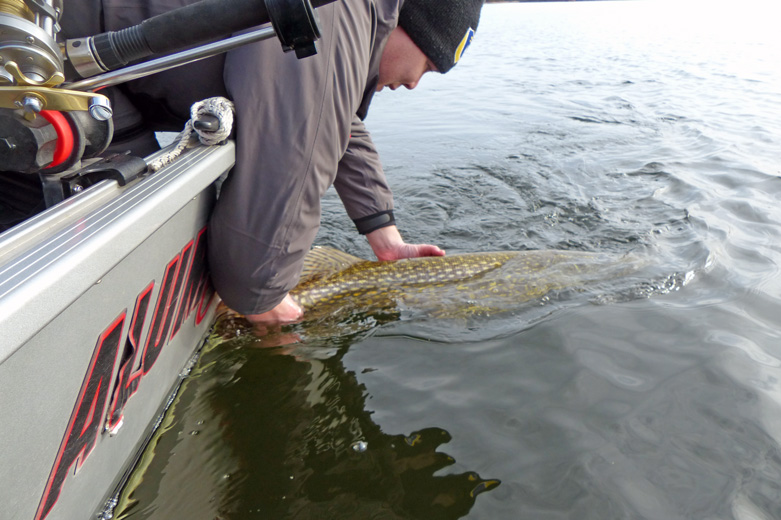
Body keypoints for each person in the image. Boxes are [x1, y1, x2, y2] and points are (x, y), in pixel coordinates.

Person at [61, 0, 484, 325]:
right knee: (87, 228)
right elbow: (295, 159)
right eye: (427, 66)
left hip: (96, 55)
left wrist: (384, 235)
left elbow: (336, 123)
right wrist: (262, 298)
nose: (413, 83)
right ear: (409, 27)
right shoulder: (333, 21)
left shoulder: (349, 16)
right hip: (60, 58)